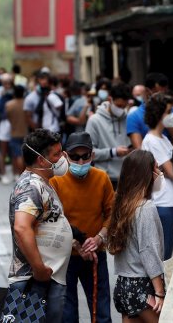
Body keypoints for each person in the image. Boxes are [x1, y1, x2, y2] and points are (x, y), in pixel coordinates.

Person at [7, 129, 79, 323]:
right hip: (35, 281)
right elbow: (22, 228)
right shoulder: (31, 186)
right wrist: (39, 268)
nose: (63, 157)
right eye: (57, 154)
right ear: (41, 160)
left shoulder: (43, 183)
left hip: (48, 279)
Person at [49, 132, 114, 323]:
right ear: (65, 156)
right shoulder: (55, 180)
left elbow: (112, 213)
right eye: (74, 156)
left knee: (101, 312)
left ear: (92, 156)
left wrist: (99, 238)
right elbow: (54, 219)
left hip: (95, 254)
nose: (80, 161)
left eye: (85, 156)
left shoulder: (101, 178)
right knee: (67, 313)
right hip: (65, 256)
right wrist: (76, 244)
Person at [107, 150, 165, 323]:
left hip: (123, 286)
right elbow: (149, 252)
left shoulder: (121, 205)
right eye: (156, 168)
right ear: (147, 174)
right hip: (143, 287)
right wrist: (160, 292)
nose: (160, 173)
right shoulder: (146, 208)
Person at [140, 94, 173, 259]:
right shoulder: (152, 141)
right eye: (169, 112)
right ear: (159, 114)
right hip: (164, 202)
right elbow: (171, 172)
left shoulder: (163, 138)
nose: (172, 116)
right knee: (164, 255)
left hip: (171, 201)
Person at [85, 83, 132, 188]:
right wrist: (113, 152)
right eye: (119, 106)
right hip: (105, 178)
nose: (122, 109)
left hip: (126, 177)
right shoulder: (94, 121)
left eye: (124, 106)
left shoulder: (128, 118)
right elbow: (89, 153)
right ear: (110, 99)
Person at [126, 73, 173, 149]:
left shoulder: (172, 112)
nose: (163, 98)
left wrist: (168, 121)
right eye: (159, 94)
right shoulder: (134, 117)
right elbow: (139, 152)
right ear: (147, 91)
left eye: (165, 93)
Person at [5, 85, 27, 178]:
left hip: (14, 132)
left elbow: (8, 118)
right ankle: (22, 173)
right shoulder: (26, 103)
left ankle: (17, 174)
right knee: (23, 155)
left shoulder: (9, 104)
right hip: (25, 132)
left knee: (16, 155)